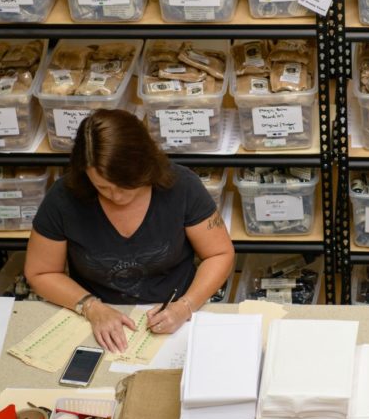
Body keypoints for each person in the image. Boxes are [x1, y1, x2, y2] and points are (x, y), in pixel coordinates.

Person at [25, 108, 234, 352]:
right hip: (94, 316)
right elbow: (41, 273)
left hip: (176, 311)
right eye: (103, 187)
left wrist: (185, 306)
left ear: (146, 167)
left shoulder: (182, 186)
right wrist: (91, 307)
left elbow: (219, 254)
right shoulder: (64, 198)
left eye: (127, 186)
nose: (116, 196)